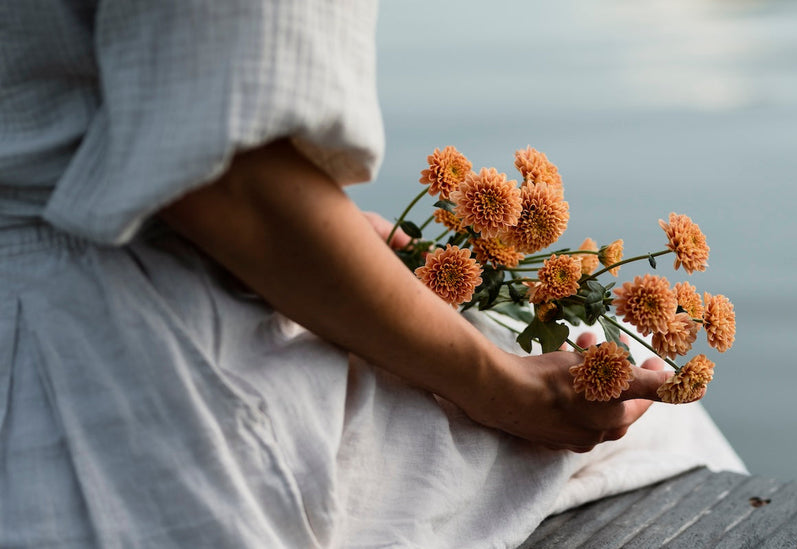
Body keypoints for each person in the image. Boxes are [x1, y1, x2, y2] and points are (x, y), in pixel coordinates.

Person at [0, 1, 745, 547]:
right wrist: (500, 384)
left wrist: (361, 240)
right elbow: (226, 183)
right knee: (662, 430)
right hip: (113, 381)